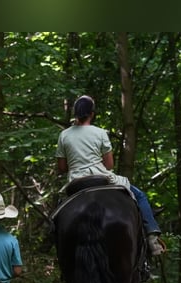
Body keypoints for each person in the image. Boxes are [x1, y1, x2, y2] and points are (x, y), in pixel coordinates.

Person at [55, 95, 166, 256]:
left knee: (57, 215)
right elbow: (109, 165)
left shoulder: (64, 135)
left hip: (76, 181)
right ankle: (152, 238)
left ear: (75, 113)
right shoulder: (100, 133)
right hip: (100, 178)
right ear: (92, 114)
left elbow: (62, 167)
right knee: (140, 196)